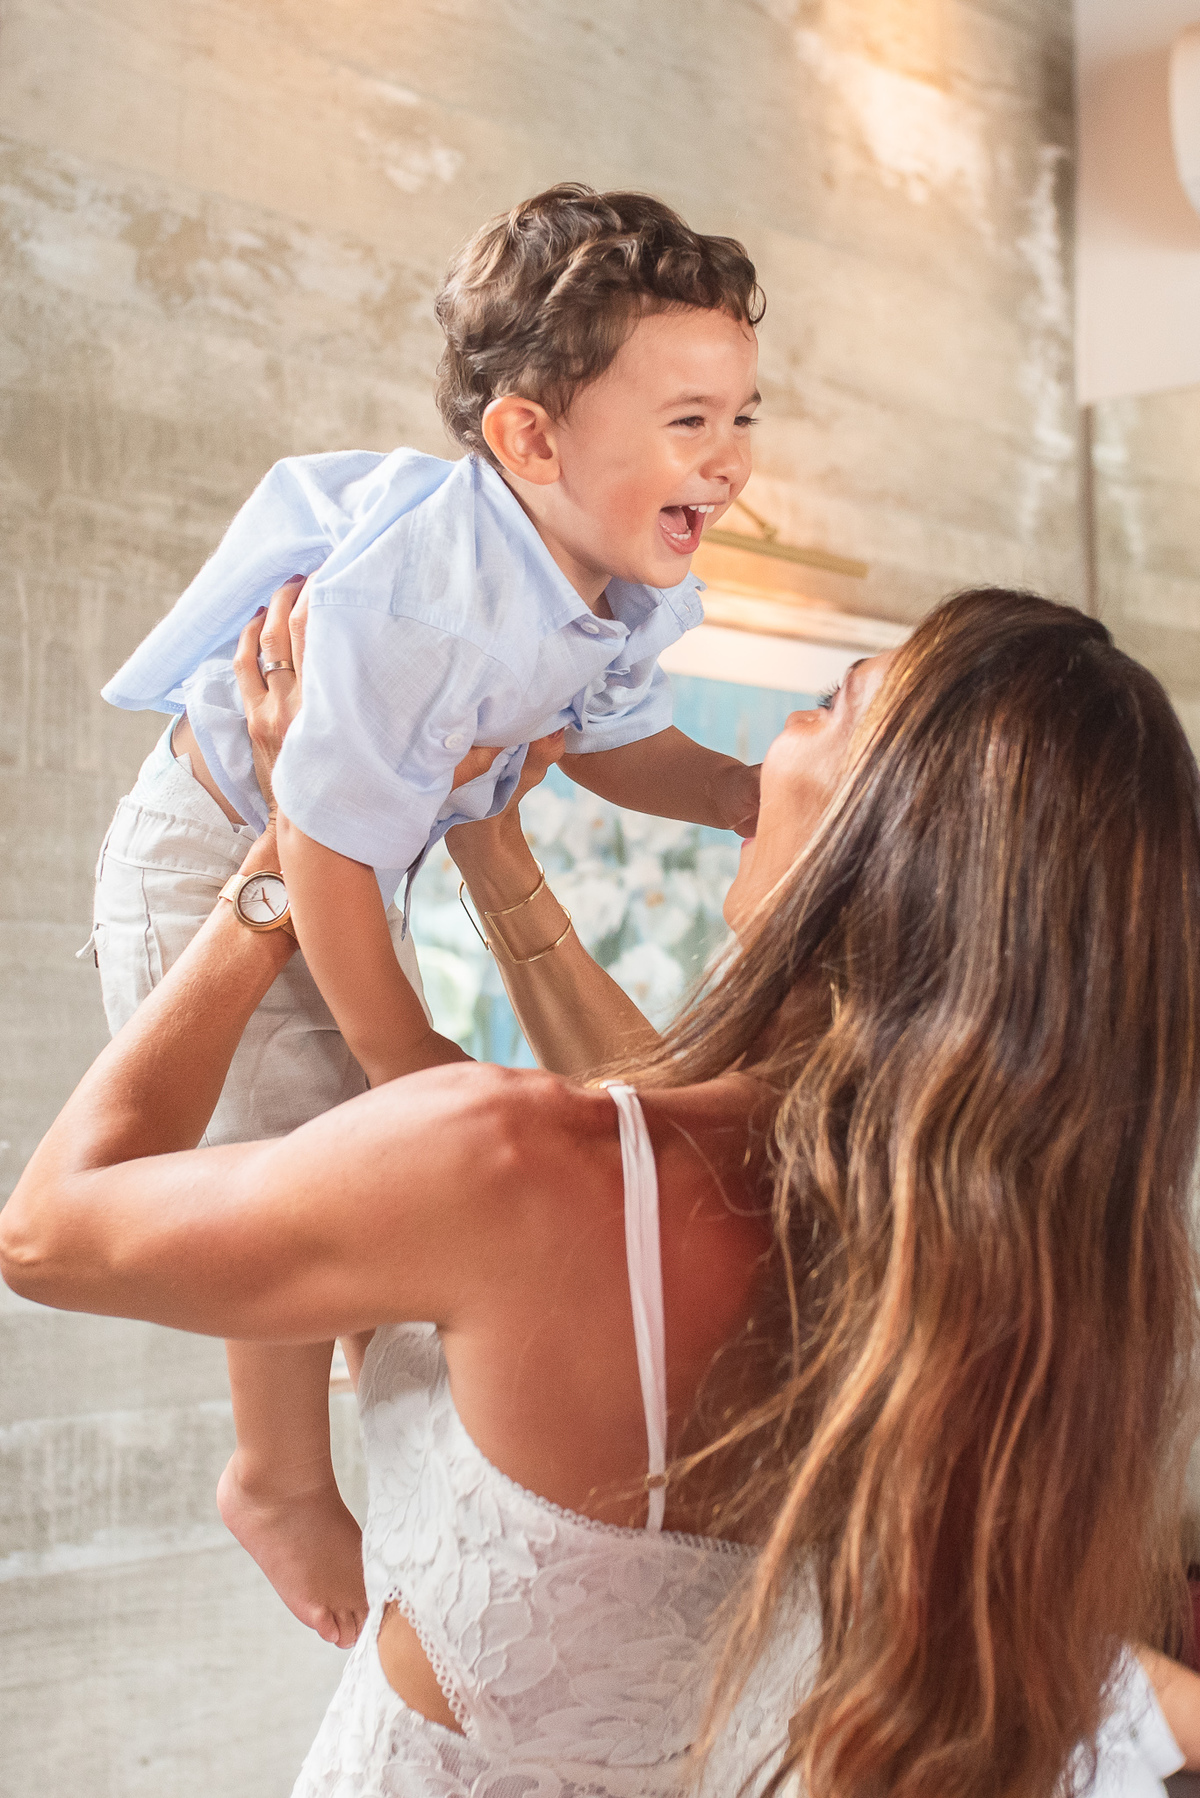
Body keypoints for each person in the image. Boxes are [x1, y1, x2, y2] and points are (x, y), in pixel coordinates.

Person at [6, 582, 1200, 1798]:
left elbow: (46, 1232)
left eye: (831, 706)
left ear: (894, 848)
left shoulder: (519, 1169)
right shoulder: (998, 1323)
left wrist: (281, 860)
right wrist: (494, 853)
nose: (780, 740)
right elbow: (632, 1114)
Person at [90, 183, 766, 1645]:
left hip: (341, 864)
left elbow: (608, 740)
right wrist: (409, 1061)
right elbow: (320, 846)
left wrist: (734, 791)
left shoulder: (608, 584)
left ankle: (353, 1378)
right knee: (288, 1147)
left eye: (741, 418)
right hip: (215, 859)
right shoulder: (427, 599)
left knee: (348, 1135)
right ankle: (275, 1474)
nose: (728, 461)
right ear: (531, 438)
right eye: (688, 421)